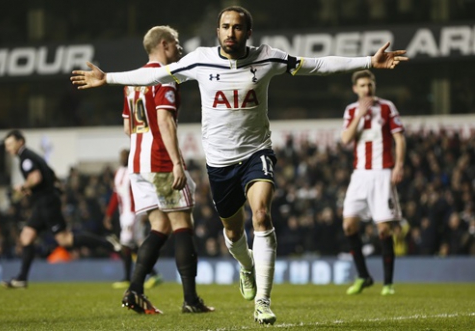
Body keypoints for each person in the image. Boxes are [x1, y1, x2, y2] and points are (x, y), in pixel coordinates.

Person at [71, 6, 408, 324]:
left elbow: (317, 64)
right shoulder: (200, 61)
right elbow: (156, 75)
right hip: (219, 164)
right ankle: (245, 266)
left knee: (261, 214)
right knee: (233, 232)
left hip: (256, 153)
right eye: (225, 27)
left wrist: (368, 60)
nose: (230, 32)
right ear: (218, 31)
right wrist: (109, 79)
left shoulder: (268, 57)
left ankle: (263, 301)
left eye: (237, 27)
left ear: (248, 31)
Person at [117, 25, 213, 314]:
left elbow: (127, 127)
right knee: (183, 224)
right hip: (159, 162)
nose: (180, 49)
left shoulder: (132, 81)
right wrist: (175, 162)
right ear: (164, 44)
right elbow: (164, 121)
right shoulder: (165, 76)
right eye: (177, 43)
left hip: (137, 164)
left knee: (159, 227)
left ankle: (134, 290)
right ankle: (191, 300)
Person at [1, 129, 122, 289]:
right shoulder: (33, 156)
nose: (8, 148)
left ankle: (106, 242)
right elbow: (51, 175)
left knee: (65, 240)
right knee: (26, 237)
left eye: (10, 144)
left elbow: (35, 177)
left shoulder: (26, 158)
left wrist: (23, 186)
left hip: (47, 203)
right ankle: (21, 279)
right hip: (43, 203)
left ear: (20, 142)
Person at [340, 70, 406, 296]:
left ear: (374, 85)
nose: (366, 88)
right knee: (348, 225)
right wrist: (360, 114)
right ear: (355, 89)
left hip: (382, 174)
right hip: (360, 175)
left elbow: (399, 137)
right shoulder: (351, 110)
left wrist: (398, 165)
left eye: (369, 84)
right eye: (362, 85)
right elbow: (346, 140)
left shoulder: (387, 107)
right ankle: (363, 276)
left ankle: (387, 283)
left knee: (384, 229)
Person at [104, 148, 163, 289]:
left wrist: (144, 213)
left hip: (134, 213)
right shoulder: (118, 173)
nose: (122, 158)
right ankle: (153, 274)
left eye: (124, 155)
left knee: (125, 244)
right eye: (121, 155)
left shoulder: (136, 171)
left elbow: (143, 192)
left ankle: (128, 277)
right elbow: (115, 195)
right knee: (134, 246)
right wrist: (108, 214)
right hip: (124, 214)